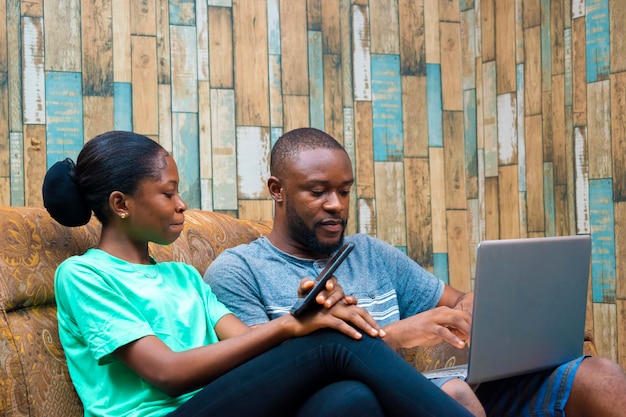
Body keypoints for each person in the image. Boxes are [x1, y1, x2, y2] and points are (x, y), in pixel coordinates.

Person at [41, 130, 475, 417]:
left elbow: (250, 349)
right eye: (168, 193)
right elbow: (167, 375)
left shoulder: (183, 277)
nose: (181, 205)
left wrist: (309, 314)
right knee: (328, 340)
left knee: (350, 400)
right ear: (121, 204)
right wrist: (294, 327)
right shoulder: (82, 276)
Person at [204, 127, 626, 417]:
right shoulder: (239, 270)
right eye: (318, 192)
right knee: (453, 395)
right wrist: (397, 335)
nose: (336, 204)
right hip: (364, 403)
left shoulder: (368, 252)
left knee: (599, 376)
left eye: (345, 191)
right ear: (277, 190)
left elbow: (453, 300)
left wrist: (478, 309)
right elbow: (270, 381)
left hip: (438, 391)